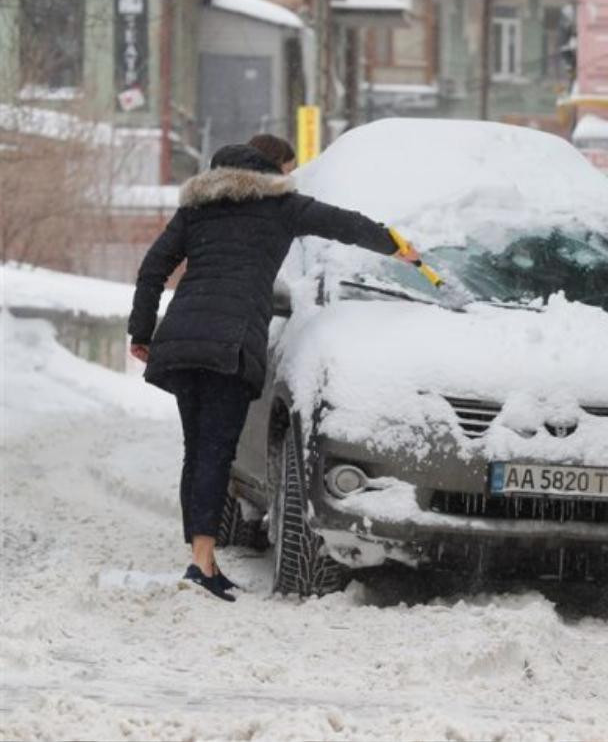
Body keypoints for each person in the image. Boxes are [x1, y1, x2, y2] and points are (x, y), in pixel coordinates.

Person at [128, 138, 422, 602]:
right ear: (272, 170)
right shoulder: (279, 205)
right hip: (228, 343)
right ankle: (201, 564)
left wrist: (141, 332)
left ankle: (202, 559)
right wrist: (397, 246)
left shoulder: (197, 209)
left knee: (197, 450)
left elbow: (151, 270)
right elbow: (344, 225)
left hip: (182, 339)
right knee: (215, 452)